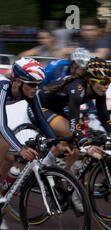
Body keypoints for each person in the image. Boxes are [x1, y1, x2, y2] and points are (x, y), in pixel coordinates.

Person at [26, 57, 111, 177]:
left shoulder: (99, 90)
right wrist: (87, 145)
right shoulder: (77, 88)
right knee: (70, 133)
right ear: (90, 80)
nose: (106, 87)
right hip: (38, 107)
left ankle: (67, 178)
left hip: (55, 108)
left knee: (74, 148)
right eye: (103, 82)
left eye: (109, 83)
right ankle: (41, 170)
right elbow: (74, 125)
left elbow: (104, 118)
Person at [0, 58, 71, 195]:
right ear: (19, 81)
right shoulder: (3, 87)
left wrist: (56, 143)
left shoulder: (29, 92)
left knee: (8, 159)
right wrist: (21, 149)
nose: (36, 88)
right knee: (3, 145)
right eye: (32, 84)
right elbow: (2, 125)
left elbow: (42, 121)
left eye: (38, 84)